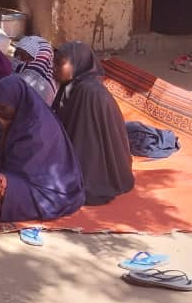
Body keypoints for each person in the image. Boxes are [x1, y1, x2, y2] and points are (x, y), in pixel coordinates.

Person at [0, 76, 85, 222]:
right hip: (25, 177)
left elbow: (26, 171)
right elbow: (5, 157)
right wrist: (4, 129)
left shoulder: (37, 126)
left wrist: (3, 178)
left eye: (2, 107)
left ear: (16, 101)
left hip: (45, 190)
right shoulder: (18, 117)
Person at [53, 41, 134, 206]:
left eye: (59, 64)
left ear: (77, 63)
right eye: (53, 63)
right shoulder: (72, 85)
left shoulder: (88, 92)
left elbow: (86, 144)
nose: (53, 68)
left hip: (97, 165)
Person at [12, 36, 57, 106]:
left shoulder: (40, 86)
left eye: (23, 55)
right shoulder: (19, 73)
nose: (18, 58)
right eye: (16, 54)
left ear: (36, 58)